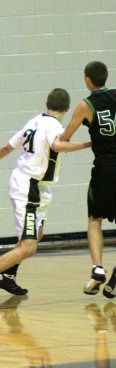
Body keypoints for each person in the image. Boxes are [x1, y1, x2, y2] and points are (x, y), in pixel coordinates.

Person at [0, 88, 90, 303]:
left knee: (36, 234)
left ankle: (7, 275)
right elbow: (58, 145)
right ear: (68, 109)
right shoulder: (53, 126)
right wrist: (88, 144)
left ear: (46, 104)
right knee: (29, 246)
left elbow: (8, 146)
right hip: (27, 186)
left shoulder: (34, 121)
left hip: (36, 186)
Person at [59, 61, 116, 296]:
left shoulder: (85, 105)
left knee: (95, 219)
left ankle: (97, 270)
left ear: (87, 80)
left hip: (104, 169)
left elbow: (63, 139)